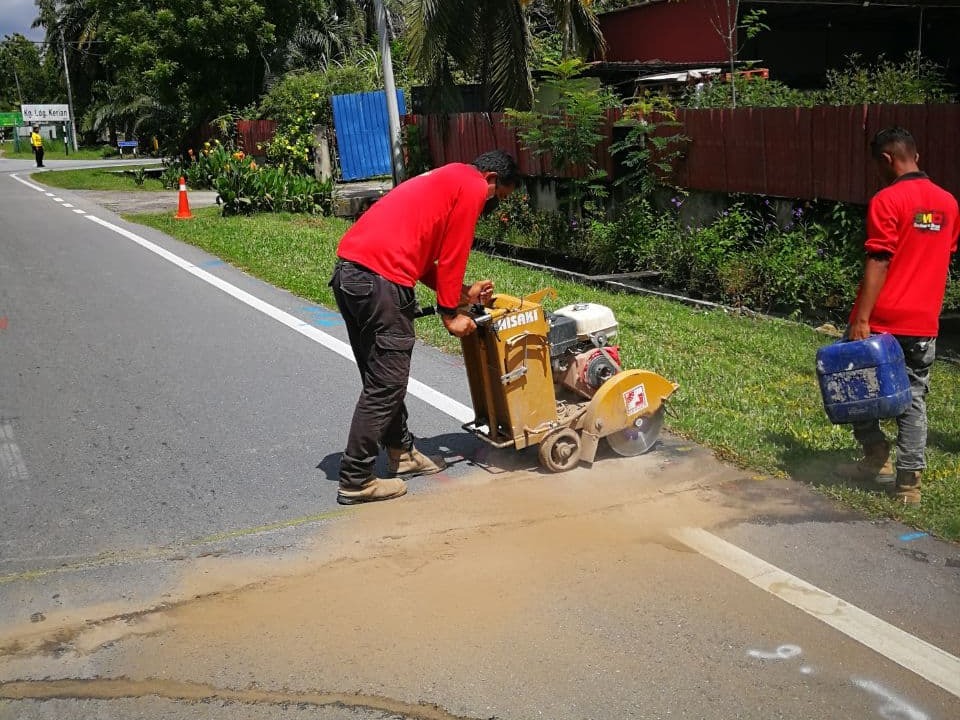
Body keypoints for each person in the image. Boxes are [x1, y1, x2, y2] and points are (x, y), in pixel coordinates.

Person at [329, 150, 520, 505]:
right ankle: (356, 478)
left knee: (380, 373)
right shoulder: (475, 186)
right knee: (386, 383)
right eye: (499, 197)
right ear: (492, 179)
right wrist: (451, 315)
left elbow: (421, 256)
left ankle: (401, 452)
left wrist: (462, 295)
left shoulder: (448, 175)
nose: (491, 205)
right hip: (380, 281)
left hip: (351, 275)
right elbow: (454, 252)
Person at [837, 127, 959, 504]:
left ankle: (876, 452)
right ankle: (909, 484)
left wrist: (861, 319)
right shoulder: (949, 204)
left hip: (883, 321)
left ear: (886, 159)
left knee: (853, 384)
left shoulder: (887, 200)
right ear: (916, 156)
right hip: (924, 322)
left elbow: (879, 258)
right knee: (914, 398)